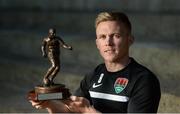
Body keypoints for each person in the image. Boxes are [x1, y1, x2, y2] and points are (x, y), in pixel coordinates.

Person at [30, 12, 161, 113]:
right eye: (102, 37)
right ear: (97, 43)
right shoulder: (94, 75)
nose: (108, 43)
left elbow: (84, 110)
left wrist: (88, 111)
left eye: (116, 36)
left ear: (130, 40)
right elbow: (71, 111)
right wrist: (48, 104)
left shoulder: (144, 80)